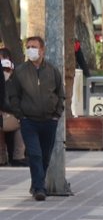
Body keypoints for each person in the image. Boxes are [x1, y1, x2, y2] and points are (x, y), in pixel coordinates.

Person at [6, 36, 65, 201]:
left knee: (45, 155)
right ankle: (40, 188)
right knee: (35, 154)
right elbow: (13, 94)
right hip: (29, 121)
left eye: (34, 46)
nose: (30, 49)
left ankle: (36, 183)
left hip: (49, 121)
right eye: (28, 46)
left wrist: (56, 114)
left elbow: (60, 94)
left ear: (42, 50)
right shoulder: (20, 71)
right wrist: (20, 114)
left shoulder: (52, 70)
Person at [1, 55, 26, 166]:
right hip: (7, 117)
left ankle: (2, 158)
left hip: (6, 117)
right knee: (24, 123)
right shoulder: (12, 85)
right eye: (3, 70)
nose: (5, 72)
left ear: (11, 71)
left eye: (7, 69)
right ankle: (18, 156)